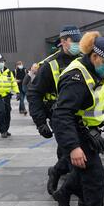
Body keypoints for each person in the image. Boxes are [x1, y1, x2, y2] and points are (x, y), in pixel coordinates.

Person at [51, 32, 104, 206]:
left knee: (83, 171)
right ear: (95, 57)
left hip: (90, 131)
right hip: (77, 132)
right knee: (96, 179)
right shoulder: (76, 78)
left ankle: (63, 193)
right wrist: (73, 148)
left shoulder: (99, 71)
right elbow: (61, 115)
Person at [27, 26, 83, 195]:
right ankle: (78, 192)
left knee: (74, 152)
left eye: (80, 41)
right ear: (64, 41)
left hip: (81, 115)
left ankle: (58, 172)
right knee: (73, 151)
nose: (78, 45)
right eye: (74, 41)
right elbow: (34, 93)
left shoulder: (82, 59)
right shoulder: (49, 65)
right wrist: (40, 122)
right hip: (59, 115)